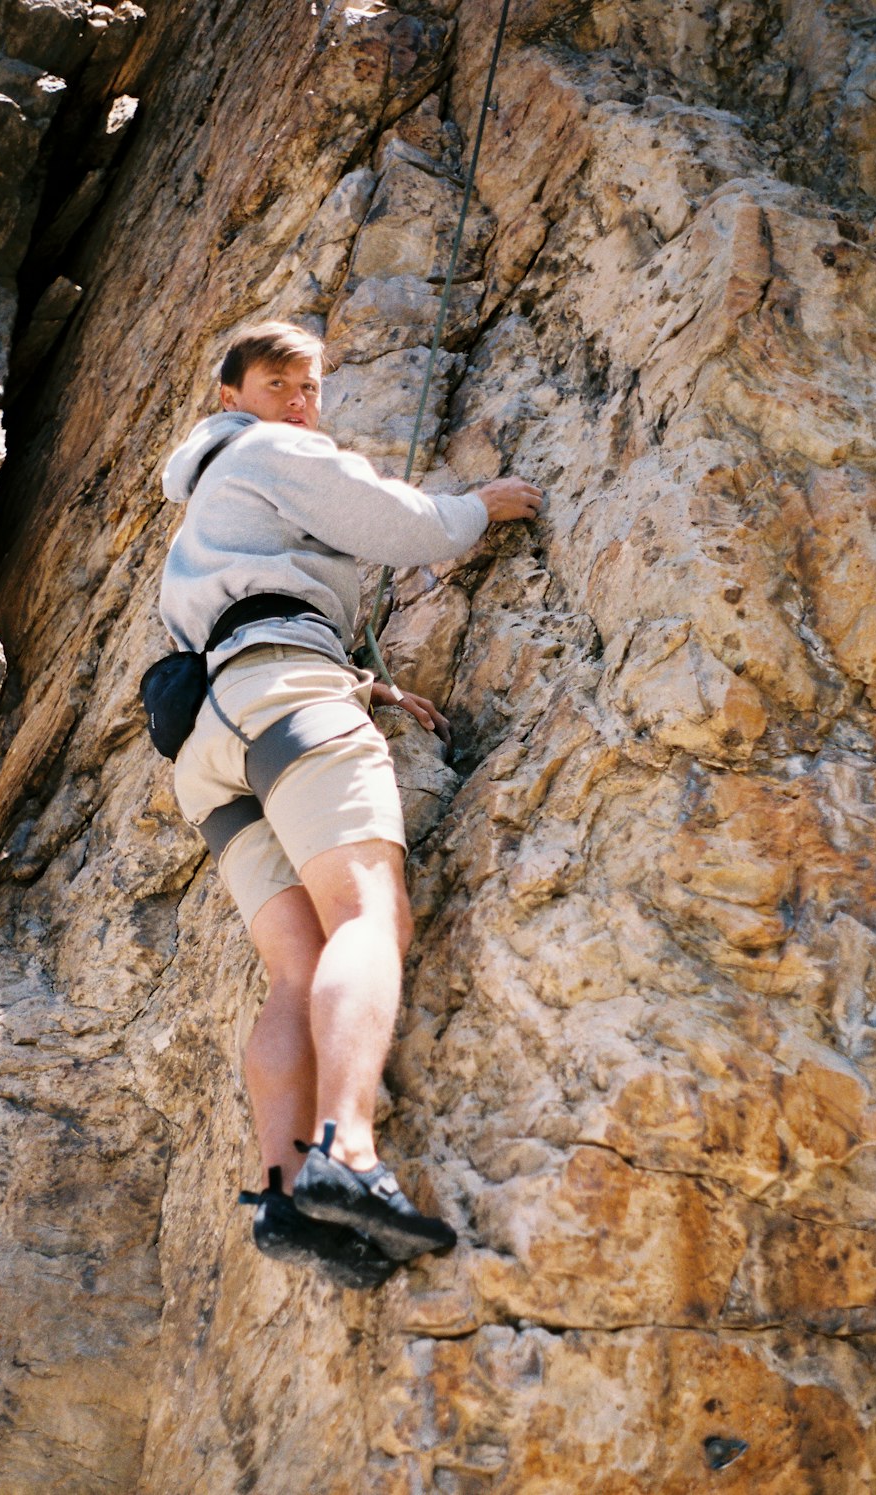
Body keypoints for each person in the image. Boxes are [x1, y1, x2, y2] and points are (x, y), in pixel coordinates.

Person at [159, 321, 542, 1288]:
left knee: (296, 969)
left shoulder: (204, 507)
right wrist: (475, 510)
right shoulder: (273, 449)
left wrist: (361, 687)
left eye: (312, 385)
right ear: (231, 395)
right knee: (368, 917)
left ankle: (284, 1191)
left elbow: (250, 621)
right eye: (278, 381)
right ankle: (351, 1158)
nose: (300, 400)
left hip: (215, 742)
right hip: (286, 699)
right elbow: (393, 525)